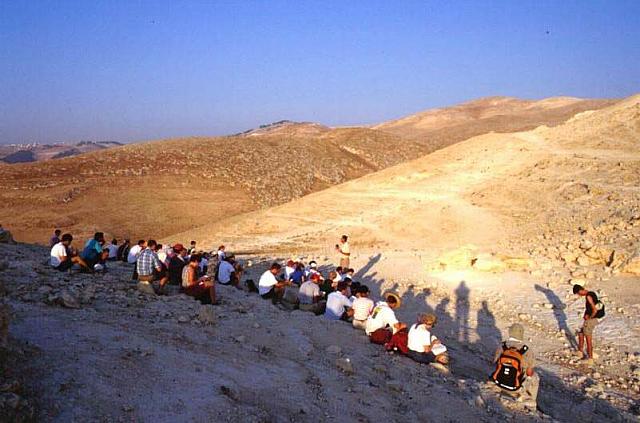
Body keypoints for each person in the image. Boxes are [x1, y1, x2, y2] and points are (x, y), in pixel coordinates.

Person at [493, 323, 538, 409]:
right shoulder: (527, 350)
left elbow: (495, 362)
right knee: (535, 376)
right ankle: (529, 399)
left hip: (499, 382)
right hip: (515, 386)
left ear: (510, 332)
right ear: (521, 334)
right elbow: (529, 372)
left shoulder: (502, 346)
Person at [573, 284, 604, 363]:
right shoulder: (591, 293)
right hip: (592, 319)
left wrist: (589, 317)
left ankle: (590, 358)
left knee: (588, 338)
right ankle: (580, 352)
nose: (579, 295)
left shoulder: (588, 296)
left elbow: (595, 310)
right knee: (581, 332)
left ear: (580, 290)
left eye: (578, 293)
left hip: (591, 320)